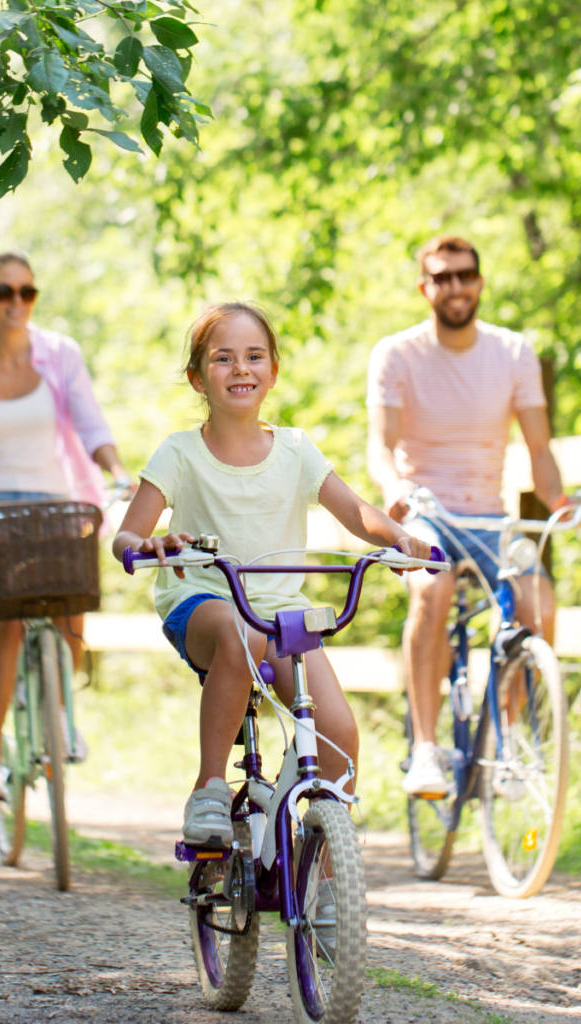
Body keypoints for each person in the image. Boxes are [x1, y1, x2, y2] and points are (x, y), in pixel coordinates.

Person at [113, 301, 432, 848]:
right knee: (245, 635)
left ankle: (325, 878)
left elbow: (355, 512)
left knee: (338, 734)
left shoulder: (294, 449)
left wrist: (398, 539)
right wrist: (148, 542)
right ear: (197, 378)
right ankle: (211, 785)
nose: (241, 369)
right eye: (223, 358)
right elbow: (125, 537)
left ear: (273, 372)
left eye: (254, 356)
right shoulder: (181, 452)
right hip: (205, 603)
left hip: (281, 614)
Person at [366, 235, 568, 797]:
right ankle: (425, 750)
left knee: (538, 605)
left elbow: (539, 450)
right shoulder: (397, 354)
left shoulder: (513, 353)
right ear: (425, 287)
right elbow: (380, 446)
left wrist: (562, 504)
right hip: (428, 512)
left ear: (479, 281)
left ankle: (510, 745)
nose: (455, 285)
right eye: (443, 276)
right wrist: (396, 487)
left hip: (489, 518)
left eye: (465, 274)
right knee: (434, 590)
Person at [0, 252, 132, 802]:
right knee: (5, 621)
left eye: (26, 292)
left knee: (72, 604)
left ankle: (59, 711)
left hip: (54, 501)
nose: (17, 302)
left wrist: (117, 471)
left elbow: (89, 420)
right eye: (5, 292)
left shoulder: (60, 354)